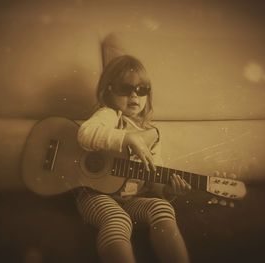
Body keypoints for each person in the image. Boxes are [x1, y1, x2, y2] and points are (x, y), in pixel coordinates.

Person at [76, 55, 191, 263]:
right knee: (117, 219)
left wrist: (168, 190)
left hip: (132, 200)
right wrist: (127, 138)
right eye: (125, 88)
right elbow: (85, 133)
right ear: (108, 91)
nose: (134, 95)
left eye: (142, 89)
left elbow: (154, 178)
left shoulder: (152, 134)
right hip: (95, 194)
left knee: (163, 207)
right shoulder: (110, 115)